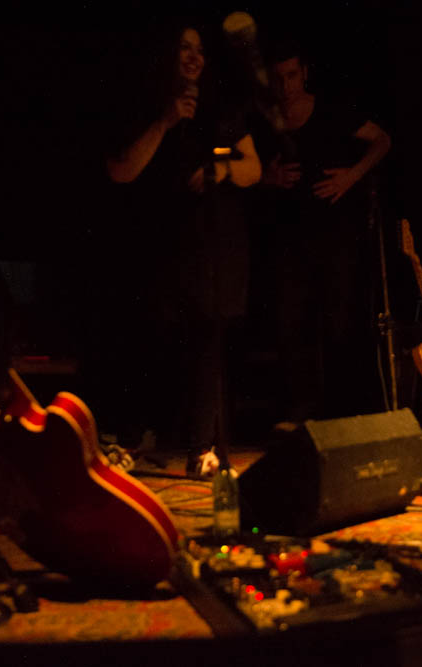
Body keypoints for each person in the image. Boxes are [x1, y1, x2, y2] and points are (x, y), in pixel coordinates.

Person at [98, 20, 261, 473]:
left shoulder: (219, 108)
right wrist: (166, 122)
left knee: (208, 342)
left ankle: (201, 449)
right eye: (185, 48)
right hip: (158, 243)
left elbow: (253, 167)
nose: (195, 57)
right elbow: (121, 170)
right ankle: (132, 438)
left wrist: (221, 170)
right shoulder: (144, 106)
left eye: (201, 50)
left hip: (212, 245)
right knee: (150, 340)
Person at [250, 37, 392, 423]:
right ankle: (302, 413)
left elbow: (382, 140)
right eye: (279, 78)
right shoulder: (265, 120)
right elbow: (244, 171)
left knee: (338, 323)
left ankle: (341, 413)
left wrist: (351, 177)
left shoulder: (331, 110)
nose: (286, 86)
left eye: (292, 76)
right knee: (290, 324)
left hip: (335, 235)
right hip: (287, 237)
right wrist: (268, 178)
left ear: (304, 73)